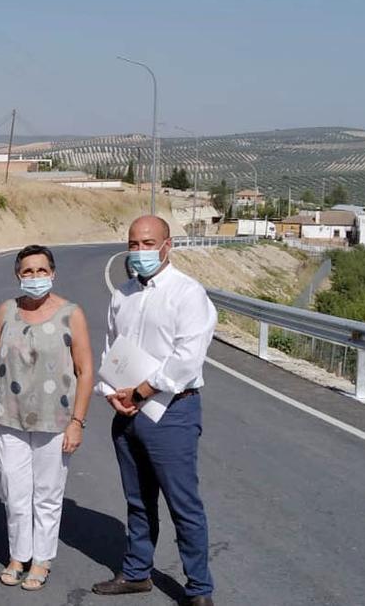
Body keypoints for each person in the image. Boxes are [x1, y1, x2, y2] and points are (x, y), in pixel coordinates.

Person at [91, 215, 217, 606]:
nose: (140, 251)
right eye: (134, 243)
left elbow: (188, 357)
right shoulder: (123, 293)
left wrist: (143, 389)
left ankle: (199, 589)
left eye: (148, 243)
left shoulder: (187, 293)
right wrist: (111, 391)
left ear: (167, 245)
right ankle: (136, 572)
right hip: (127, 412)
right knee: (137, 499)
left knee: (183, 505)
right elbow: (112, 347)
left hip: (171, 411)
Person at [0, 245, 94, 592]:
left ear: (52, 272)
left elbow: (84, 369)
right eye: (27, 271)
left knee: (46, 494)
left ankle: (42, 559)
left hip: (55, 419)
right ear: (18, 275)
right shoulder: (6, 310)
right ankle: (18, 556)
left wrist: (77, 421)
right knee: (14, 491)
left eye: (41, 270)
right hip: (8, 417)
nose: (34, 277)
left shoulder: (70, 313)